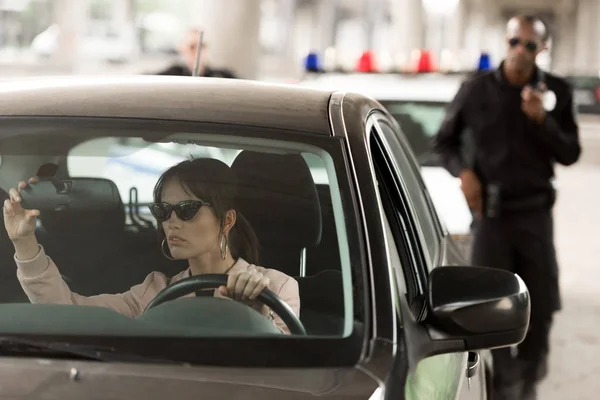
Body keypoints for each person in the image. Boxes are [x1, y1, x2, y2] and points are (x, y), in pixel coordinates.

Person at [432, 15, 580, 400]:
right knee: (487, 306)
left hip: (534, 214)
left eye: (530, 45)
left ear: (542, 49)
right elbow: (443, 142)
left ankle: (528, 378)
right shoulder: (477, 90)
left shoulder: (556, 92)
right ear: (506, 41)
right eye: (515, 42)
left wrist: (542, 121)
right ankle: (502, 383)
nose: (520, 51)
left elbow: (570, 153)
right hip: (490, 215)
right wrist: (463, 172)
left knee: (541, 305)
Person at [3, 158, 299, 334]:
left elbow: (293, 373)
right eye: (163, 211)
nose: (171, 222)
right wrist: (24, 242)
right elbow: (67, 312)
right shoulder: (154, 291)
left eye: (186, 209)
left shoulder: (276, 288)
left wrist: (256, 313)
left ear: (226, 220)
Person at [154, 28, 237, 78]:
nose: (198, 51)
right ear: (182, 49)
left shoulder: (222, 76)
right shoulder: (172, 74)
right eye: (192, 46)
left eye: (202, 46)